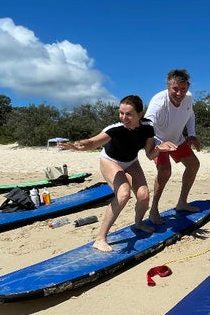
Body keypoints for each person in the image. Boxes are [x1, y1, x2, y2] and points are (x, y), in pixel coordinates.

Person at [61, 95, 173, 252]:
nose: (124, 117)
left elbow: (149, 154)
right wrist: (79, 145)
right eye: (121, 113)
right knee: (123, 194)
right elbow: (93, 142)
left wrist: (159, 149)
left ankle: (138, 223)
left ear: (140, 114)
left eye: (128, 114)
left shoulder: (148, 127)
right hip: (110, 161)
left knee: (143, 195)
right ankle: (100, 239)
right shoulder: (115, 129)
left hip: (131, 162)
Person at [145, 69, 202, 224]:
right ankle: (153, 209)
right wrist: (155, 147)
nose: (179, 93)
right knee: (165, 171)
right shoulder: (158, 102)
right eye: (175, 89)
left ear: (188, 87)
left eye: (183, 89)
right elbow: (147, 127)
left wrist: (192, 134)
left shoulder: (188, 98)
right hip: (159, 140)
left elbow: (191, 115)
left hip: (177, 139)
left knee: (193, 165)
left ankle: (182, 202)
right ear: (168, 86)